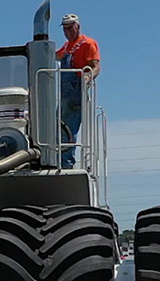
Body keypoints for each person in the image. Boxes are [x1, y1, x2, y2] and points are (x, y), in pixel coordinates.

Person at [55, 13, 100, 169]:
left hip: (75, 92)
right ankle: (56, 159)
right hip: (63, 94)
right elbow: (55, 56)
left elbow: (96, 67)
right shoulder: (67, 47)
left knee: (68, 129)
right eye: (65, 28)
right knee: (57, 126)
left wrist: (88, 77)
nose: (67, 31)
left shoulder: (88, 44)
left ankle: (66, 163)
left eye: (70, 27)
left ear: (77, 26)